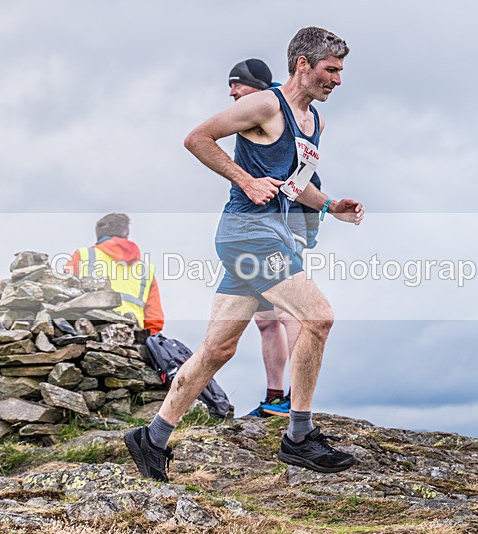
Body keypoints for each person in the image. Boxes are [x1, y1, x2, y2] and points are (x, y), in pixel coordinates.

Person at [125, 26, 362, 482]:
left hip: (272, 233)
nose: (337, 80)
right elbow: (197, 138)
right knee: (318, 317)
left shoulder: (315, 122)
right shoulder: (264, 104)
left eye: (341, 71)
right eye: (331, 70)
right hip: (247, 234)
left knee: (217, 349)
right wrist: (245, 180)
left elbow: (297, 185)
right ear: (302, 65)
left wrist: (331, 204)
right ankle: (298, 437)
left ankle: (151, 439)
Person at [228, 57, 322, 418]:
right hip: (254, 228)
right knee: (266, 319)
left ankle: (298, 400)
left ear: (260, 87)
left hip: (287, 223)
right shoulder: (250, 121)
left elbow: (305, 177)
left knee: (287, 312)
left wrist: (313, 223)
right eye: (230, 86)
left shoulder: (282, 111)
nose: (233, 91)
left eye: (238, 85)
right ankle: (274, 397)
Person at [65, 213, 164, 334]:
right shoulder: (146, 270)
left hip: (88, 330)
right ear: (127, 235)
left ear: (98, 235)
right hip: (131, 336)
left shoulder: (83, 255)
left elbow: (62, 295)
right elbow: (155, 318)